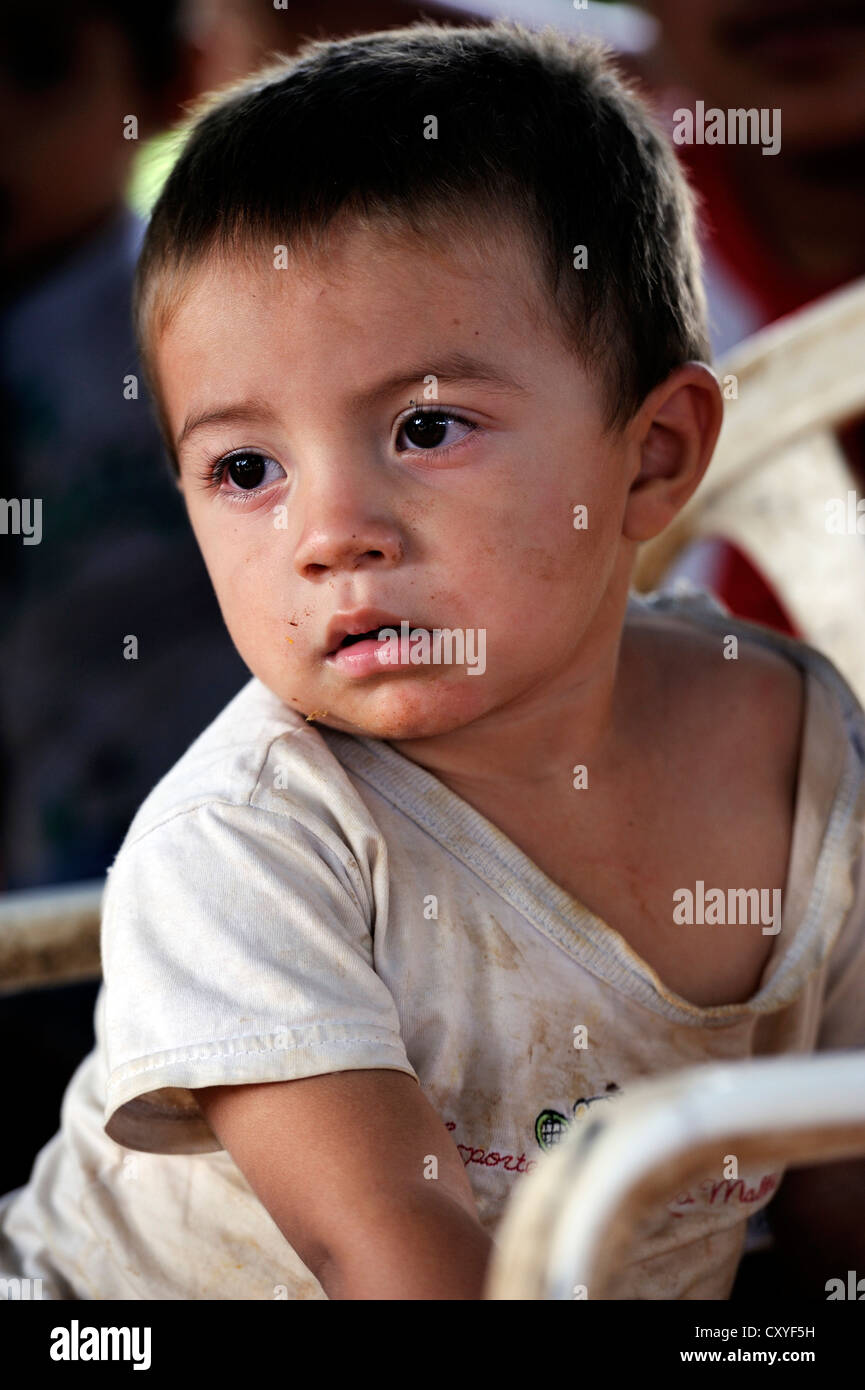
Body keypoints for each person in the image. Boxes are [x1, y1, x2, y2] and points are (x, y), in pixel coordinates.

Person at [1, 20, 864, 1302]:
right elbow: (406, 1277)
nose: (330, 535)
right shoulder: (246, 850)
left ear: (654, 454)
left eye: (426, 426)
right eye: (247, 470)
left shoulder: (796, 738)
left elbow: (838, 1199)